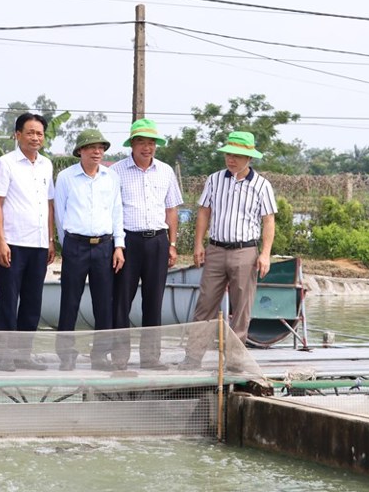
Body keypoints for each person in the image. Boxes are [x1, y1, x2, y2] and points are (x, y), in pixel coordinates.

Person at [180, 131, 277, 370]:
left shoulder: (262, 185)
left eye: (237, 155)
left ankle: (234, 362)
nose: (231, 159)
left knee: (241, 308)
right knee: (205, 305)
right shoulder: (214, 180)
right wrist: (198, 244)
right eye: (228, 155)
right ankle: (193, 358)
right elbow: (204, 211)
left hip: (245, 251)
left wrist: (265, 254)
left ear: (249, 158)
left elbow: (268, 220)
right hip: (215, 249)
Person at [110, 118, 183, 370]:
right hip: (128, 241)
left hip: (158, 242)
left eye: (151, 142)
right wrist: (117, 245)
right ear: (132, 144)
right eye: (141, 142)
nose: (146, 147)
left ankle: (151, 358)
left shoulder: (165, 171)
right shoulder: (116, 171)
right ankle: (120, 358)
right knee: (122, 301)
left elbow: (171, 209)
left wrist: (172, 244)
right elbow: (112, 210)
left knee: (154, 301)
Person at [53, 129, 125, 371]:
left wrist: (119, 245)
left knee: (104, 303)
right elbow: (59, 215)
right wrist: (68, 244)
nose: (97, 152)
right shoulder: (65, 177)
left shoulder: (111, 177)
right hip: (75, 245)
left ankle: (100, 355)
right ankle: (66, 355)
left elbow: (117, 212)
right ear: (80, 151)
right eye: (92, 147)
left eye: (101, 148)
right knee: (70, 301)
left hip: (104, 246)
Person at [0, 113, 54, 372]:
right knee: (8, 300)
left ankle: (24, 353)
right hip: (13, 243)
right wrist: (1, 241)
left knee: (32, 301)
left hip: (39, 244)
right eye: (30, 132)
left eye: (39, 133)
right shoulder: (5, 164)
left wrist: (50, 240)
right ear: (17, 135)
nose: (35, 137)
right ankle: (5, 355)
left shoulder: (47, 165)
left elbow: (49, 204)